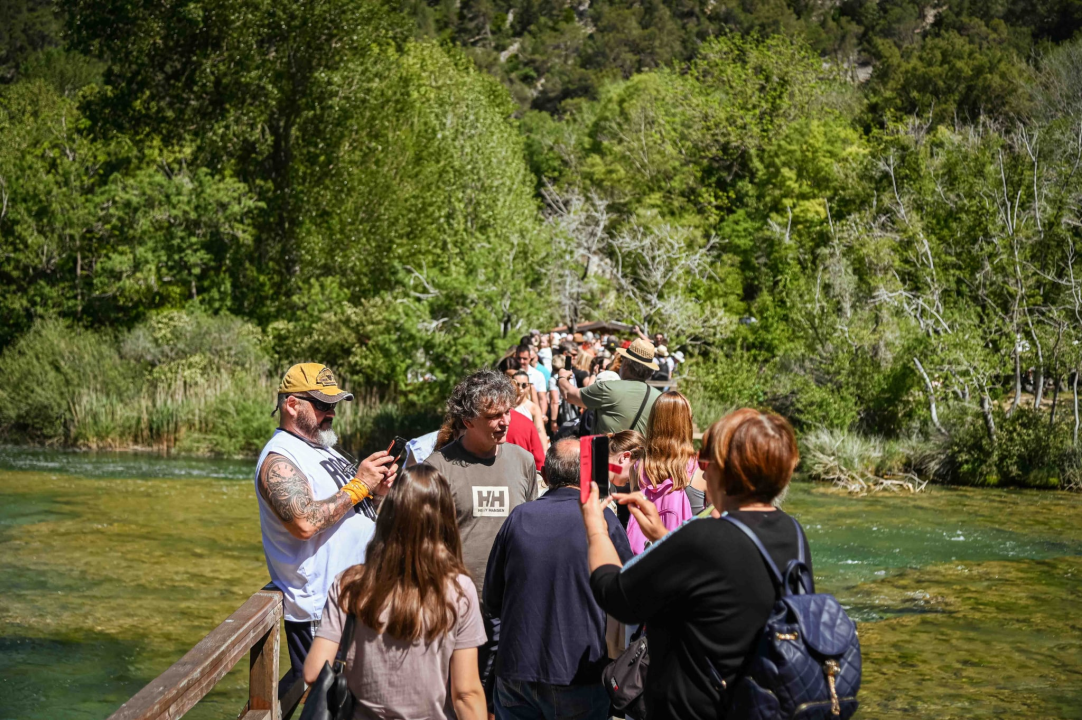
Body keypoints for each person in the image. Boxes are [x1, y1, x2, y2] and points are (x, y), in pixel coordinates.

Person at [581, 409, 811, 720]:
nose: (703, 471)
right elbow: (725, 592)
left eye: (705, 462)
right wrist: (663, 536)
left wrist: (596, 527)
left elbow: (616, 596)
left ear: (727, 472)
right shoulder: (793, 533)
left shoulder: (702, 539)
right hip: (761, 705)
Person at [303, 465, 488, 720]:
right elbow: (466, 694)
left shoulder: (349, 584)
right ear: (445, 520)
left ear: (388, 515)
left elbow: (313, 672)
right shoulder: (459, 590)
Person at [254, 363, 399, 688]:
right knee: (327, 705)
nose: (331, 413)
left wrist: (377, 495)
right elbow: (304, 521)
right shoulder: (279, 458)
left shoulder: (325, 449)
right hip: (322, 610)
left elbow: (350, 511)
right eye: (322, 404)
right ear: (292, 405)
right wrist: (359, 485)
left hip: (362, 597)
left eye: (333, 405)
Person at [484, 439, 633, 720]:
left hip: (517, 670)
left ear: (546, 476)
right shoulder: (604, 522)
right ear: (588, 475)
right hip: (579, 672)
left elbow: (492, 599)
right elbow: (626, 598)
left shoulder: (518, 518)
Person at [424, 369, 539, 711]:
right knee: (454, 700)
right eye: (493, 416)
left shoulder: (523, 461)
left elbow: (530, 531)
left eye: (507, 412)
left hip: (510, 607)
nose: (504, 422)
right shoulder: (436, 468)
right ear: (467, 420)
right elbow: (421, 543)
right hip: (454, 608)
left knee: (498, 704)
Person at [624, 391, 696, 555]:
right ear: (686, 424)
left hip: (643, 554)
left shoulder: (638, 465)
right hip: (681, 555)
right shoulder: (695, 467)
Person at [556, 338, 661, 435]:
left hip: (609, 454)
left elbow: (569, 394)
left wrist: (562, 377)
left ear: (626, 365)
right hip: (642, 454)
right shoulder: (659, 398)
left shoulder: (608, 388)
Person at [513, 369, 549, 452]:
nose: (520, 388)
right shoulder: (506, 406)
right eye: (517, 384)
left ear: (528, 386)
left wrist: (545, 454)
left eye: (524, 385)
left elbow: (540, 432)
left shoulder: (533, 408)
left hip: (526, 449)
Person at [516, 344, 549, 419]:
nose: (521, 361)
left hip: (532, 415)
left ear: (530, 358)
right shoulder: (510, 374)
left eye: (525, 359)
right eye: (519, 358)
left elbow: (542, 398)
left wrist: (542, 415)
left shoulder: (538, 375)